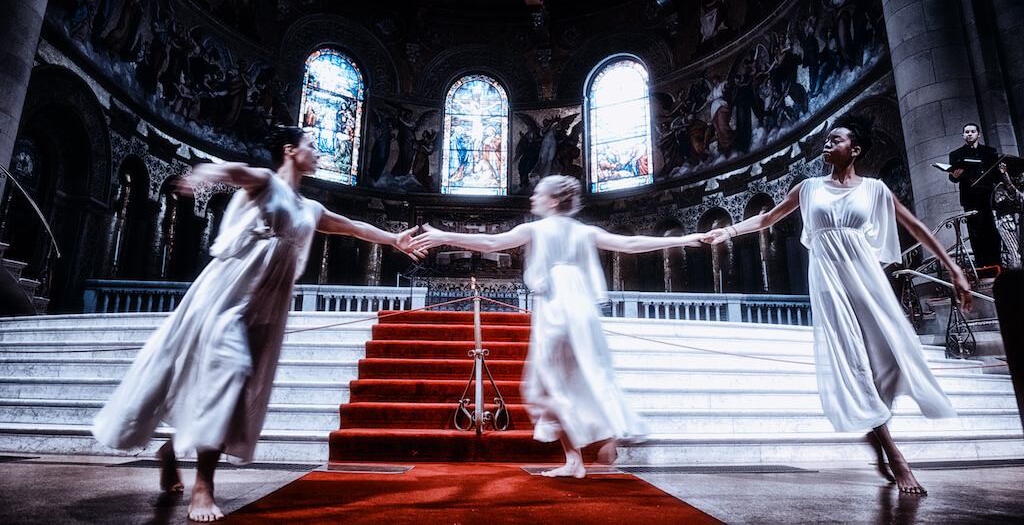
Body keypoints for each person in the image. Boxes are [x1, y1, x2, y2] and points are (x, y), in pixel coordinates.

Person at [92, 126, 428, 521]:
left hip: (267, 304)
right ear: (289, 150)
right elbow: (236, 172)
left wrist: (393, 240)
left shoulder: (309, 208)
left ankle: (171, 448)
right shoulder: (267, 182)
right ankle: (204, 486)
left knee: (229, 385)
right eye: (313, 146)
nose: (319, 153)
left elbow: (352, 226)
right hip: (227, 295)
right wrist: (207, 173)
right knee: (228, 371)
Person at [706, 118, 972, 495]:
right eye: (826, 140)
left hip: (867, 278)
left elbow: (916, 227)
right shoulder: (809, 188)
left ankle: (875, 427)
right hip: (828, 281)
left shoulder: (876, 189)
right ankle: (894, 454)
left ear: (856, 149)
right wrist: (729, 231)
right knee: (852, 360)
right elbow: (768, 218)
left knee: (892, 359)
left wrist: (954, 268)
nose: (827, 144)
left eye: (836, 139)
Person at [417, 175, 705, 478]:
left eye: (538, 194)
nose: (532, 199)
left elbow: (491, 242)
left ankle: (593, 443)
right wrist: (682, 239)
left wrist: (443, 235)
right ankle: (579, 456)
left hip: (557, 310)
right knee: (574, 380)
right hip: (582, 312)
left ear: (553, 201)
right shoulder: (584, 231)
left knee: (540, 390)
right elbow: (630, 244)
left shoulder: (536, 229)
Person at [949, 122, 1001, 267]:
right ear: (963, 136)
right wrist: (955, 175)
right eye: (967, 132)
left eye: (973, 131)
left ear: (979, 134)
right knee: (976, 233)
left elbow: (996, 174)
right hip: (970, 198)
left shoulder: (990, 152)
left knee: (992, 231)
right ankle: (982, 266)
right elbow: (953, 177)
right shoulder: (956, 155)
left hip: (989, 197)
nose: (970, 134)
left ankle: (997, 264)